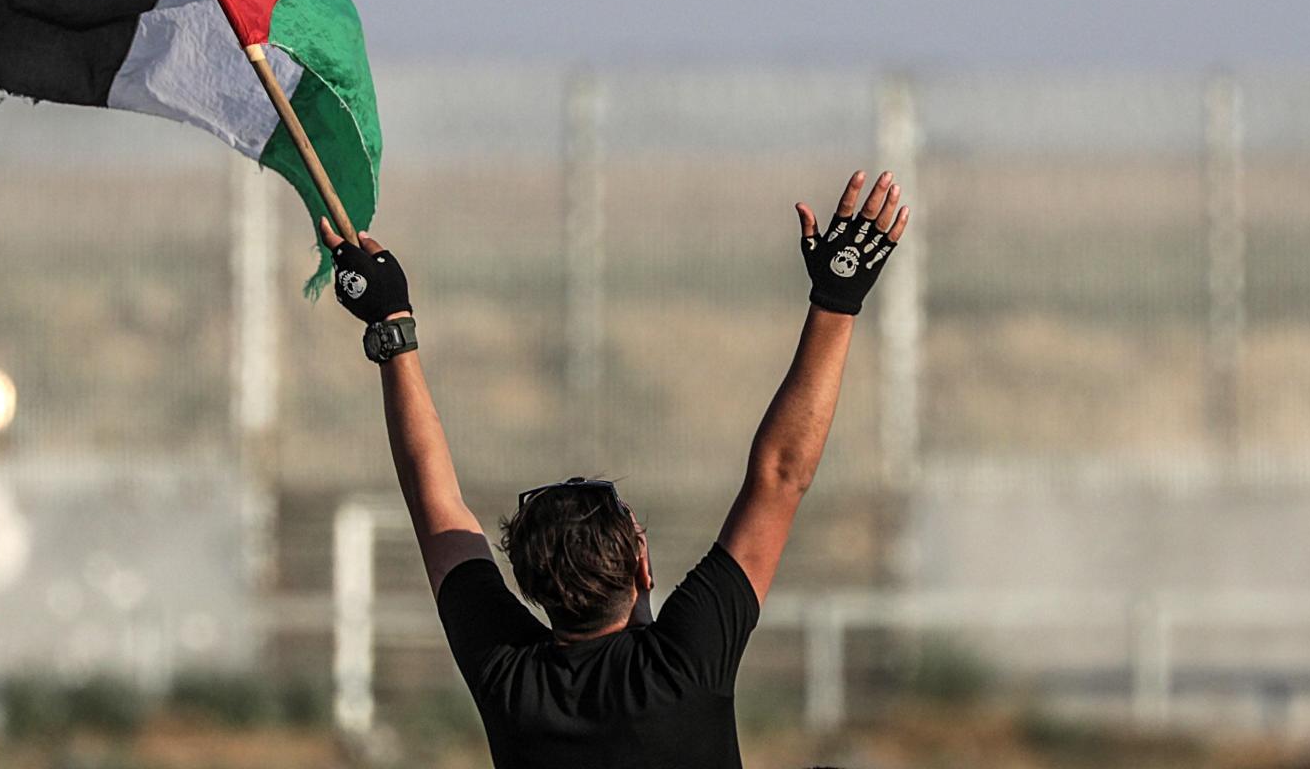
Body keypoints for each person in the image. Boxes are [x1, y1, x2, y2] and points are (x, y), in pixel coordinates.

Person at [318, 168, 909, 769]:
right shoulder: (682, 663)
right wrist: (837, 298)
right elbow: (782, 473)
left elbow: (433, 497)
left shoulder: (511, 679)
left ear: (530, 589)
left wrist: (390, 324)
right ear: (643, 565)